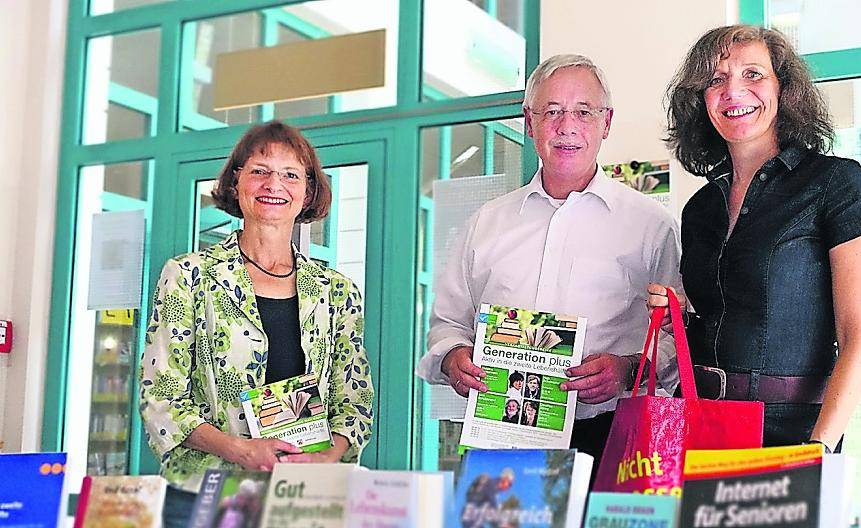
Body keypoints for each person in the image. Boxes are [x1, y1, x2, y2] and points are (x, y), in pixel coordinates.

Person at [416, 54, 682, 477]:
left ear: (606, 122)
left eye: (583, 112)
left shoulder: (652, 227)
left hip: (612, 436)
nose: (567, 126)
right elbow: (447, 323)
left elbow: (676, 336)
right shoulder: (486, 223)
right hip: (500, 434)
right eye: (552, 111)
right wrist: (452, 358)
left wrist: (630, 369)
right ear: (529, 121)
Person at [648, 25, 861, 452]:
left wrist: (817, 451)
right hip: (699, 426)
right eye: (715, 80)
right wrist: (681, 315)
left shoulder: (837, 183)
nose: (733, 91)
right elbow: (727, 316)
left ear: (785, 90)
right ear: (700, 100)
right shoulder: (699, 208)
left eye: (753, 75)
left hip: (791, 434)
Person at [139, 121, 374, 528]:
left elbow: (353, 402)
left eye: (290, 174)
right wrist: (241, 450)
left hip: (302, 496)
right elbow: (161, 398)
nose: (274, 184)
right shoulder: (188, 276)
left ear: (308, 192)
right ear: (236, 183)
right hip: (204, 494)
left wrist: (326, 456)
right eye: (260, 170)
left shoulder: (337, 291)